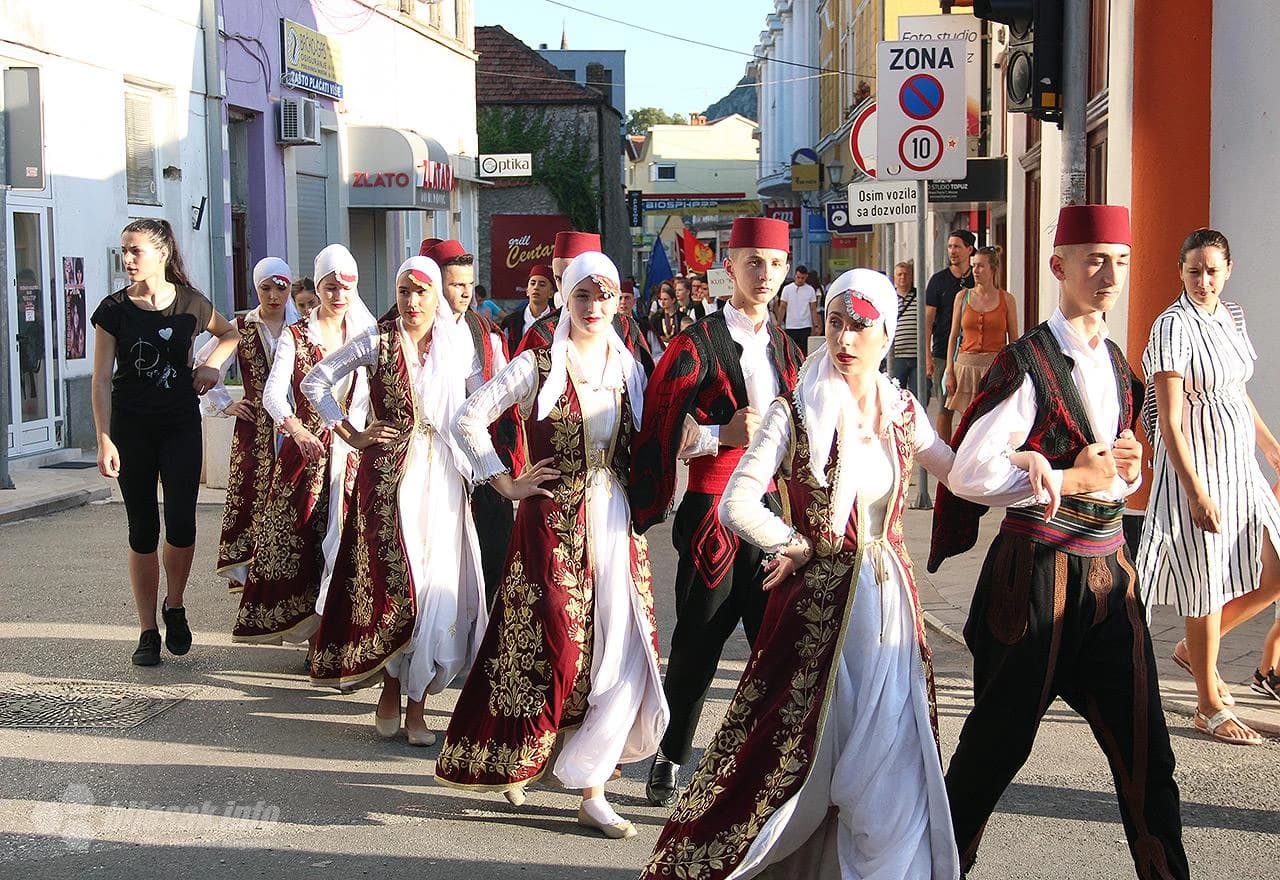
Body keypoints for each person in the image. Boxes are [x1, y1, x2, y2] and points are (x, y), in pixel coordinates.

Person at [642, 270, 958, 880]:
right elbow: (738, 502)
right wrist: (797, 543)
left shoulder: (901, 409)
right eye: (834, 322)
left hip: (888, 602)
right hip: (817, 605)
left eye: (858, 325)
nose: (843, 337)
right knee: (781, 746)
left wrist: (1048, 473)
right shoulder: (796, 409)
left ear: (886, 333)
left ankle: (879, 865)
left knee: (889, 744)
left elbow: (959, 472)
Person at [930, 205, 1189, 879]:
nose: (1109, 273)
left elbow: (1116, 457)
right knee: (992, 752)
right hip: (1035, 578)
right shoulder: (1026, 362)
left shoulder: (1112, 359)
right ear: (1059, 267)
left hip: (1109, 573)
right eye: (1095, 259)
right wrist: (1076, 475)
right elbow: (968, 473)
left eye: (1120, 261)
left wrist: (1126, 462)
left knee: (1148, 762)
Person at [436, 252, 667, 839]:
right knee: (553, 640)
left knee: (620, 647)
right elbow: (468, 418)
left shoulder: (628, 367)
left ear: (619, 302)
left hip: (614, 522)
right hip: (551, 523)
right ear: (565, 297)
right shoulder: (537, 363)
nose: (594, 307)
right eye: (583, 295)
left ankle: (592, 786)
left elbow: (655, 439)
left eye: (605, 295)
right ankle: (523, 753)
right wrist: (507, 482)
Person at [630, 216, 805, 808]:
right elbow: (657, 426)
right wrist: (719, 433)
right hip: (711, 511)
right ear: (729, 267)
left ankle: (765, 766)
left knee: (773, 641)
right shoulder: (695, 343)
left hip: (772, 509)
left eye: (775, 264)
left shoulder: (788, 348)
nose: (765, 274)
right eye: (753, 262)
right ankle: (672, 754)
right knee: (701, 641)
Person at [304, 255, 486, 747]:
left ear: (437, 296)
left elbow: (480, 403)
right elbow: (315, 382)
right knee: (398, 582)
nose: (411, 301)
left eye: (421, 291)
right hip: (389, 480)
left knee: (436, 587)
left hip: (444, 478)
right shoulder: (376, 340)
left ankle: (418, 704)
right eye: (404, 291)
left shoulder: (457, 343)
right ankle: (389, 685)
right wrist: (352, 434)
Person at [1137, 228, 1280, 744]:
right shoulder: (1171, 327)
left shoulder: (1230, 316)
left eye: (1212, 271)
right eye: (1194, 270)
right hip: (1197, 471)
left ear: (1228, 270)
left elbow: (1237, 394)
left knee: (1276, 570)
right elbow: (1170, 422)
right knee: (1207, 581)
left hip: (1241, 466)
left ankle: (1200, 649)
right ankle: (1207, 703)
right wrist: (1195, 489)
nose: (1203, 280)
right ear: (1180, 270)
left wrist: (1271, 449)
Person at [91, 218, 240, 666]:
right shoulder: (114, 309)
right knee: (142, 530)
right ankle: (146, 630)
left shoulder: (190, 304)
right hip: (131, 430)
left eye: (136, 250)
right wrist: (103, 439)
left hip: (179, 426)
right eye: (124, 250)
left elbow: (229, 332)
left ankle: (174, 606)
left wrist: (213, 365)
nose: (128, 258)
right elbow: (100, 380)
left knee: (181, 524)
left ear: (161, 253)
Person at [236, 245, 375, 647]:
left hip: (354, 454)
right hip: (308, 456)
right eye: (330, 287)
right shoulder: (297, 336)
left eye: (346, 287)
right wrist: (297, 431)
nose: (338, 296)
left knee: (351, 542)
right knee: (305, 543)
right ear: (318, 286)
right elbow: (273, 395)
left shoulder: (367, 334)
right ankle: (314, 635)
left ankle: (342, 633)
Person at [423, 239, 516, 607]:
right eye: (456, 284)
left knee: (494, 544)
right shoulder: (401, 328)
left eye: (468, 284)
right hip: (426, 457)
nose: (466, 292)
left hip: (480, 454)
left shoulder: (483, 331)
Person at [198, 257, 298, 590]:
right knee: (253, 496)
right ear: (256, 289)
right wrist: (225, 405)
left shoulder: (303, 325)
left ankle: (290, 572)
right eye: (265, 288)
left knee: (294, 496)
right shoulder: (241, 326)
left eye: (280, 288)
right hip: (254, 427)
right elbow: (204, 362)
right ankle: (254, 575)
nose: (273, 296)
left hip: (295, 423)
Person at [944, 246, 1019, 421]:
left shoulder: (1007, 299)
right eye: (974, 265)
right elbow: (953, 336)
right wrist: (949, 370)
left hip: (994, 367)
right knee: (966, 422)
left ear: (993, 269)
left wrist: (1015, 371)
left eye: (981, 266)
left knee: (991, 420)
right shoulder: (962, 297)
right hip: (966, 367)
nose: (975, 271)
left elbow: (1014, 339)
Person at [925, 229, 975, 440]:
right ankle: (946, 458)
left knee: (972, 411)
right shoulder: (938, 280)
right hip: (942, 353)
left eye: (957, 246)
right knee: (945, 409)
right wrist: (927, 356)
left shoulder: (977, 277)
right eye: (949, 246)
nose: (952, 251)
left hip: (970, 352)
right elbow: (927, 321)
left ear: (969, 249)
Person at [500, 264, 554, 354]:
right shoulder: (511, 322)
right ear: (527, 291)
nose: (536, 288)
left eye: (542, 285)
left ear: (551, 293)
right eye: (532, 283)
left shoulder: (557, 321)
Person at [890, 260, 920, 395]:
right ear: (894, 277)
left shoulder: (920, 297)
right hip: (896, 356)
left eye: (906, 274)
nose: (903, 277)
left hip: (917, 356)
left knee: (919, 394)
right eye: (899, 274)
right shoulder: (889, 298)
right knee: (895, 395)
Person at [774, 264, 819, 352]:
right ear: (795, 276)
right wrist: (779, 323)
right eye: (798, 277)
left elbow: (813, 309)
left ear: (806, 277)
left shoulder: (810, 290)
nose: (800, 280)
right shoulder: (787, 289)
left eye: (802, 278)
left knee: (804, 351)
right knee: (790, 351)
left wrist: (816, 325)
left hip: (806, 325)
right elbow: (782, 307)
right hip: (791, 325)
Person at [648, 281, 689, 362]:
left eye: (665, 299)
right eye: (661, 299)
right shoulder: (656, 318)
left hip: (678, 353)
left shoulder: (682, 316)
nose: (662, 302)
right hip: (660, 354)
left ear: (673, 300)